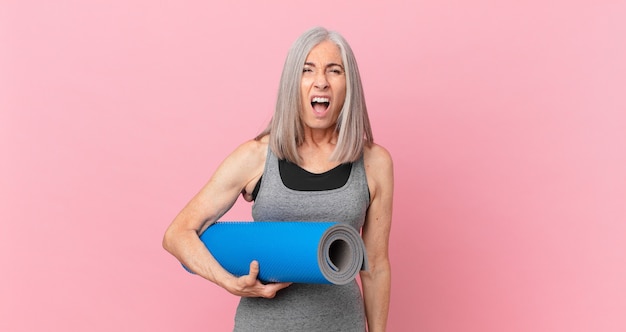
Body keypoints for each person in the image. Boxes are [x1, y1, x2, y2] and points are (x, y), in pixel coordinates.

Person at [163, 26, 393, 332]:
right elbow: (177, 235)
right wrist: (230, 283)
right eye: (307, 70)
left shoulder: (374, 163)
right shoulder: (256, 156)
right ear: (291, 83)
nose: (321, 81)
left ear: (348, 83)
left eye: (334, 70)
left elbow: (375, 266)